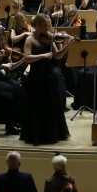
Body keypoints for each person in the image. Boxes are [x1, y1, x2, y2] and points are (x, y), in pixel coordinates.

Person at [20, 13, 72, 144]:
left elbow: (57, 56)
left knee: (50, 106)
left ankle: (51, 134)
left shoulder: (49, 38)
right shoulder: (30, 40)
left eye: (49, 25)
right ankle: (37, 135)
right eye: (45, 25)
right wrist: (42, 56)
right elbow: (26, 58)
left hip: (48, 77)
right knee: (37, 107)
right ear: (37, 26)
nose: (48, 28)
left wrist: (67, 45)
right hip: (36, 78)